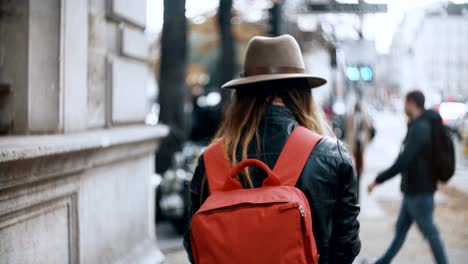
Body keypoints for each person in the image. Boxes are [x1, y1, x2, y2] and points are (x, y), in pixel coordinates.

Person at [183, 35, 361, 263]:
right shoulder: (330, 154)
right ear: (303, 93)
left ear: (242, 96)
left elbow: (194, 245)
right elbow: (346, 247)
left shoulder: (212, 160)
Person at [367, 90, 448, 264]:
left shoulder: (421, 128)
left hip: (420, 193)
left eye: (405, 102)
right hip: (413, 191)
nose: (404, 107)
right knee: (401, 231)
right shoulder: (417, 125)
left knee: (430, 233)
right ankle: (381, 262)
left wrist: (378, 180)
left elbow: (404, 161)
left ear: (412, 103)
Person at [345, 101, 373, 201]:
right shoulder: (351, 116)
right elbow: (348, 129)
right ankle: (354, 189)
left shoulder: (365, 116)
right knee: (352, 167)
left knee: (360, 168)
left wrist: (365, 138)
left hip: (361, 146)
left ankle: (358, 193)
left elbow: (369, 129)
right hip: (353, 145)